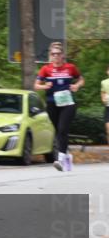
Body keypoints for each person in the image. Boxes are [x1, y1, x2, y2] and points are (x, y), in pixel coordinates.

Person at [35, 42, 84, 172]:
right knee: (60, 132)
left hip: (68, 103)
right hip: (52, 103)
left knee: (62, 129)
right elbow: (36, 85)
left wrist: (76, 86)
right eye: (53, 54)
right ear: (50, 56)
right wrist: (44, 86)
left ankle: (60, 159)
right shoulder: (46, 69)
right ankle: (67, 156)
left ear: (62, 55)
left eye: (58, 54)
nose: (55, 56)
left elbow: (81, 79)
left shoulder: (70, 67)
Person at [101, 64, 109, 143]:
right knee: (108, 129)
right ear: (107, 72)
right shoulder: (104, 82)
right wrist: (104, 99)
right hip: (108, 108)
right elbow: (103, 93)